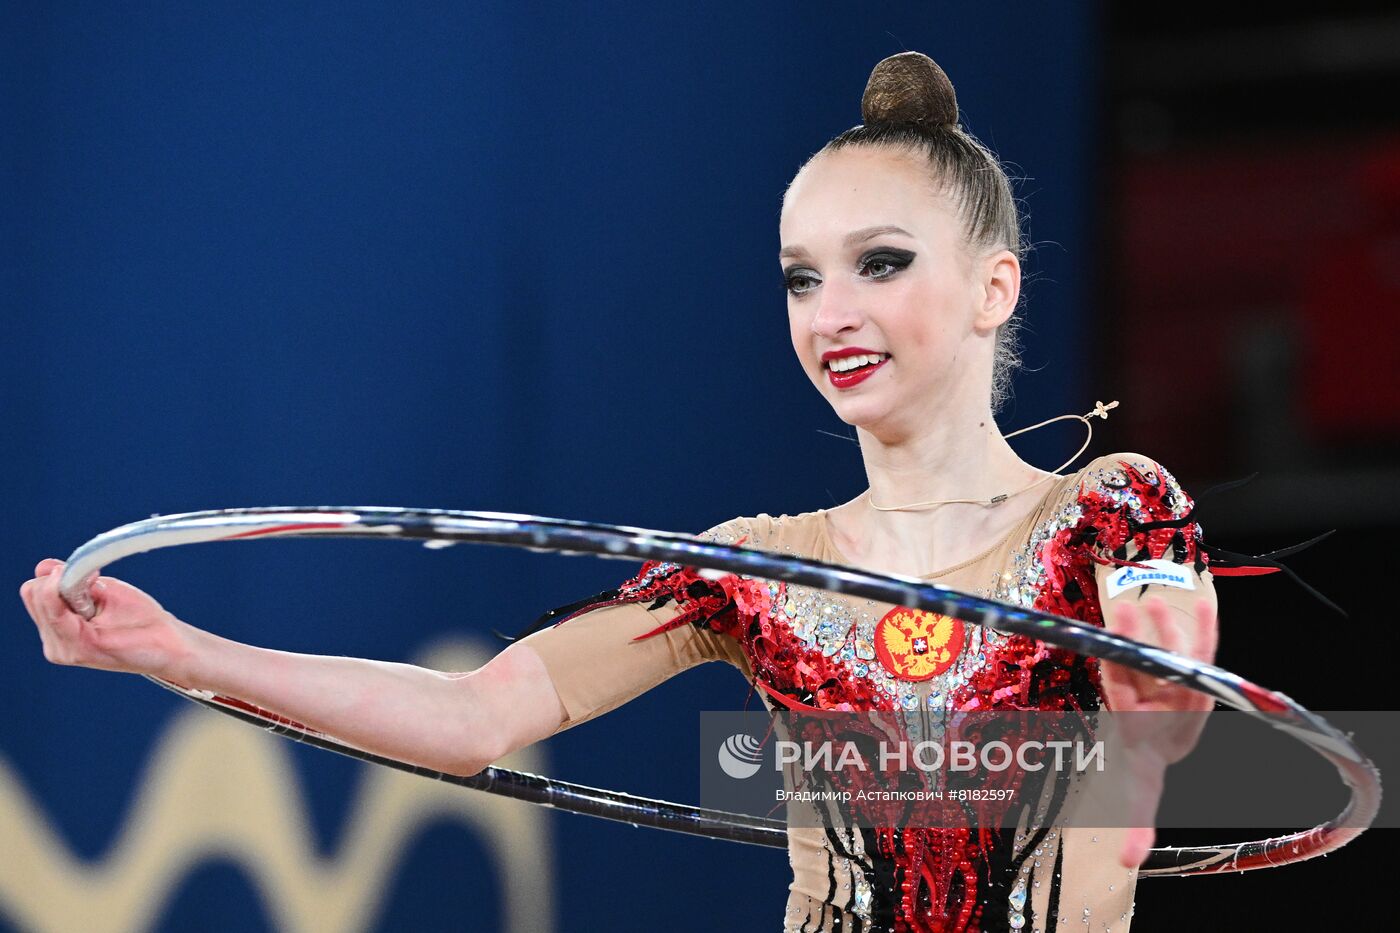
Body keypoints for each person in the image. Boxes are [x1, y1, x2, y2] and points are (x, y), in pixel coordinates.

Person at [22, 53, 1223, 933]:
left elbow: (1177, 716)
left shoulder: (1111, 509)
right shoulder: (748, 567)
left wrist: (1156, 694)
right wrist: (175, 650)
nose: (831, 314)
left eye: (882, 263)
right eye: (801, 278)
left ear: (993, 289)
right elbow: (470, 718)